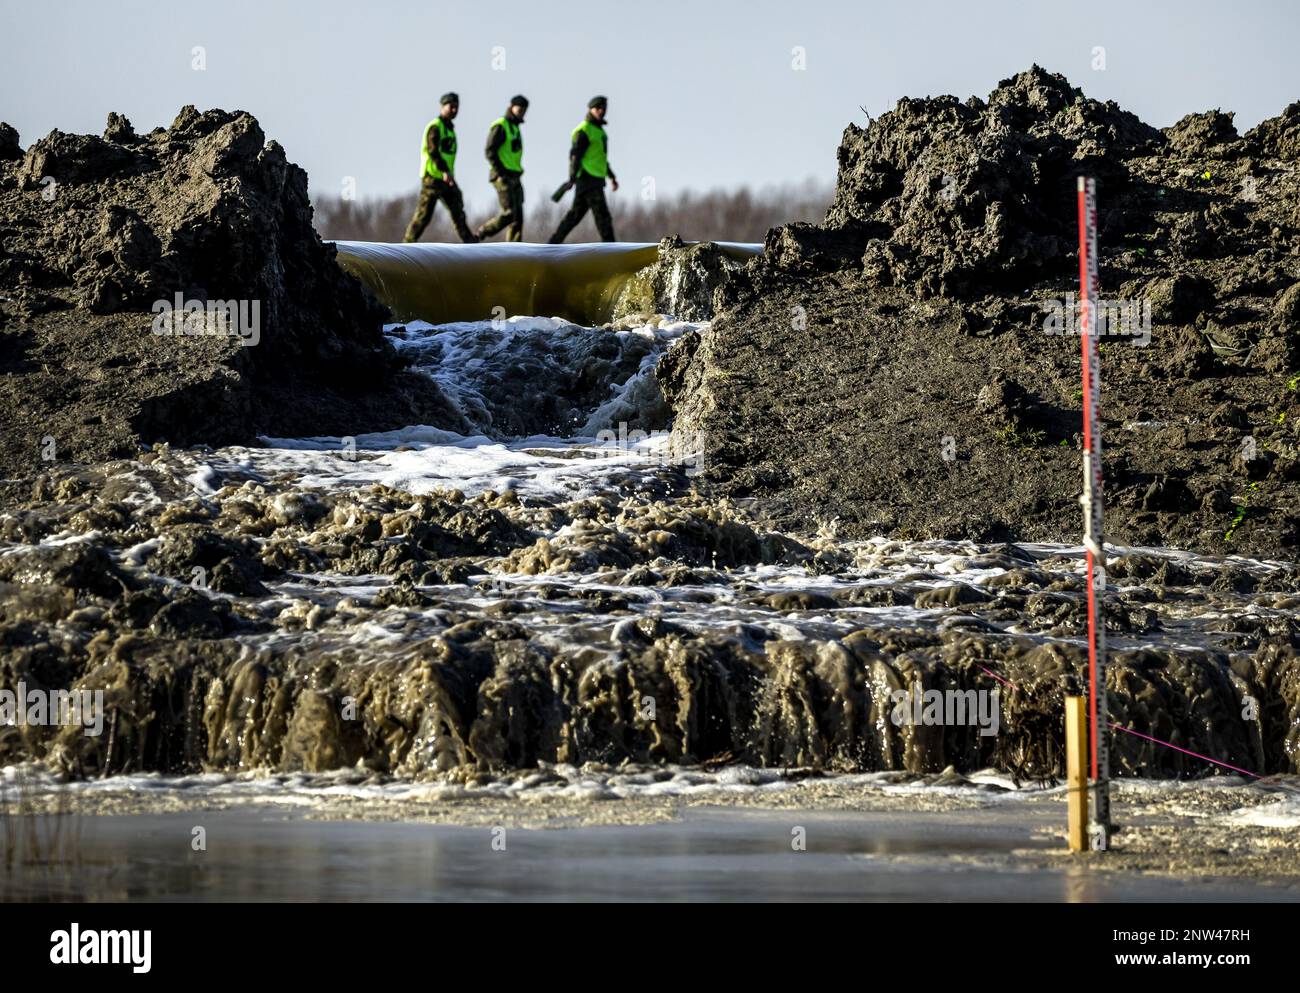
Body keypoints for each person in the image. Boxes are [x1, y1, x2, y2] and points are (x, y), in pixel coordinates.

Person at [403, 92, 478, 243]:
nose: (454, 110)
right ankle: (406, 244)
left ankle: (470, 243)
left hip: (446, 178)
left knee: (458, 209)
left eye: (456, 107)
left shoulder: (450, 129)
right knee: (424, 215)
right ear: (442, 107)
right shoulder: (435, 127)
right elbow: (433, 151)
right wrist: (444, 171)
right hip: (433, 177)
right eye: (451, 107)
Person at [549, 95, 619, 243]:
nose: (601, 111)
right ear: (590, 109)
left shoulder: (599, 132)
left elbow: (601, 158)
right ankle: (612, 250)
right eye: (598, 108)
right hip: (588, 179)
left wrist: (612, 176)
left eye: (603, 108)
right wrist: (572, 177)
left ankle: (552, 244)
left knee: (574, 215)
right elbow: (575, 155)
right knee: (603, 217)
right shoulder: (585, 130)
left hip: (596, 178)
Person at [476, 95, 528, 241]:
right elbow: (489, 151)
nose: (522, 113)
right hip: (502, 175)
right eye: (520, 109)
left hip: (515, 176)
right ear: (512, 107)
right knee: (509, 213)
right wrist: (500, 172)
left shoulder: (515, 128)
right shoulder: (501, 125)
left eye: (524, 110)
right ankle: (483, 232)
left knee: (518, 216)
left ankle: (514, 249)